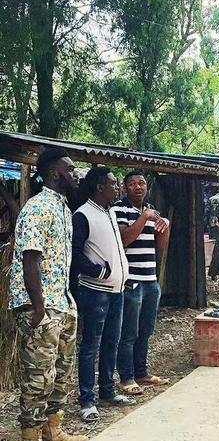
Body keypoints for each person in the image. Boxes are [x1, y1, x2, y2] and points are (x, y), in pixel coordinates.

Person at [9, 148, 88, 441]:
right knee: (38, 376)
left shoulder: (63, 208)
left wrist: (65, 303)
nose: (76, 173)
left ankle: (53, 433)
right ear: (55, 173)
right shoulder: (38, 207)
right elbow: (30, 257)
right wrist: (38, 307)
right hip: (40, 305)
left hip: (61, 302)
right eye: (70, 169)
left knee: (61, 373)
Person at [72, 167, 134, 423]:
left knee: (112, 342)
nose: (117, 187)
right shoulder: (83, 215)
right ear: (100, 187)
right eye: (113, 183)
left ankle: (107, 390)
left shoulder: (109, 212)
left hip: (117, 290)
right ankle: (87, 399)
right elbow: (74, 253)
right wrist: (97, 270)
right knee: (90, 345)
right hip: (95, 291)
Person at [112, 171, 170, 397]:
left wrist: (165, 224)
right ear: (125, 187)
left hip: (151, 280)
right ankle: (126, 378)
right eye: (133, 184)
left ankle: (141, 372)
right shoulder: (119, 209)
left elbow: (160, 245)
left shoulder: (152, 210)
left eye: (142, 183)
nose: (138, 187)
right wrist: (144, 218)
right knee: (129, 332)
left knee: (146, 330)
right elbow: (124, 239)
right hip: (131, 281)